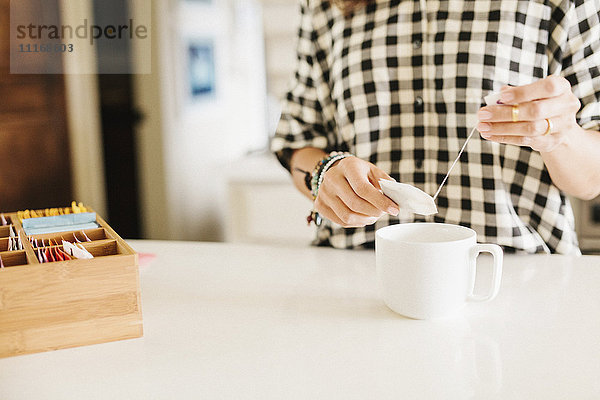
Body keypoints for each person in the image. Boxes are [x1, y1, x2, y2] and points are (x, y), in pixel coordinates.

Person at [270, 0, 600, 254]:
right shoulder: (326, 5)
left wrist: (562, 136)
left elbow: (593, 180)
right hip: (356, 273)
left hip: (514, 276)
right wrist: (323, 174)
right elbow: (298, 141)